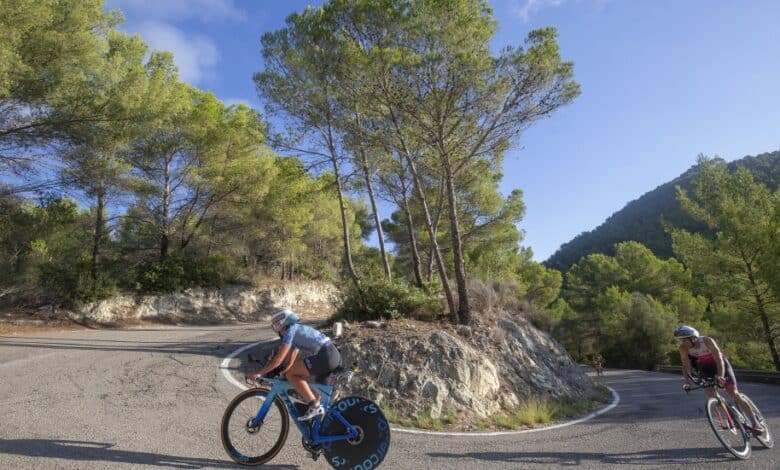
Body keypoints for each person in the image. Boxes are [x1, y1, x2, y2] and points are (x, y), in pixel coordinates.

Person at [247, 309, 341, 421]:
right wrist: (284, 371)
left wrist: (259, 373)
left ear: (281, 323)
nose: (278, 332)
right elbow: (291, 358)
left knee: (292, 375)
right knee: (316, 395)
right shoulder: (297, 330)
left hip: (326, 355)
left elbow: (278, 359)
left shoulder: (290, 331)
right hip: (332, 355)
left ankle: (315, 406)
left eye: (276, 326)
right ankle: (315, 431)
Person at [674, 325, 764, 433]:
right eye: (682, 340)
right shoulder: (683, 348)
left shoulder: (707, 341)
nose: (683, 342)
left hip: (721, 365)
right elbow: (685, 365)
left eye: (685, 339)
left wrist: (721, 376)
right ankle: (731, 418)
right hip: (705, 368)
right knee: (710, 393)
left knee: (734, 393)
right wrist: (687, 383)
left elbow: (718, 359)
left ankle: (756, 423)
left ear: (693, 338)